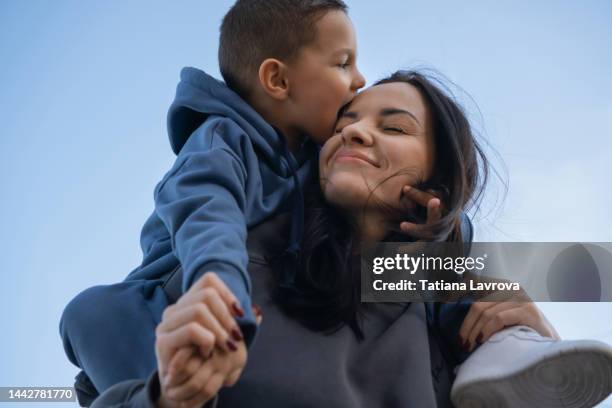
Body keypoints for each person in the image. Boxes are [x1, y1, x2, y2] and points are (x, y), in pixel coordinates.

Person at [90, 72, 612, 408]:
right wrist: (171, 399)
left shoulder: (444, 313)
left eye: (396, 128)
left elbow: (592, 270)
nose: (354, 132)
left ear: (436, 181)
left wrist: (535, 333)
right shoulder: (234, 262)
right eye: (346, 120)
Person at [59, 0, 366, 399]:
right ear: (278, 79)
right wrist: (221, 294)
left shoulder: (324, 163)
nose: (360, 79)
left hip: (254, 327)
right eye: (343, 63)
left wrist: (456, 257)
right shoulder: (220, 143)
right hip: (169, 305)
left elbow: (393, 252)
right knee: (91, 314)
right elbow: (208, 216)